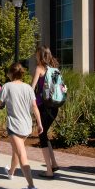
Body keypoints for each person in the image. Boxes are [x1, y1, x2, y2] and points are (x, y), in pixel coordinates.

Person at [0, 62, 43, 189]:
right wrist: (39, 123)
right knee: (16, 151)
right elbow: (34, 107)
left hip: (14, 126)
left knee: (21, 154)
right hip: (26, 126)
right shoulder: (28, 88)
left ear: (11, 73)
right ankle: (11, 172)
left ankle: (31, 186)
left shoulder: (7, 86)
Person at [31, 46, 61, 178]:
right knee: (45, 135)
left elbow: (31, 88)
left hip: (43, 106)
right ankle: (53, 164)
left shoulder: (39, 68)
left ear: (40, 55)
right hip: (54, 106)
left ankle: (48, 171)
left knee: (42, 135)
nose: (35, 56)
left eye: (36, 54)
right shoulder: (55, 69)